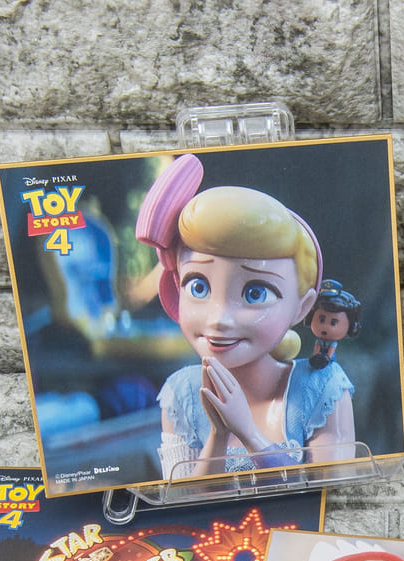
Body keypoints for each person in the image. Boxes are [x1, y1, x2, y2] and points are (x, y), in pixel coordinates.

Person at [135, 153, 356, 479]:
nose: (219, 318)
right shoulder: (181, 394)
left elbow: (332, 487)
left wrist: (250, 434)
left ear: (302, 306)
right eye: (198, 287)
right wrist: (218, 434)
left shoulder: (321, 387)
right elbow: (182, 495)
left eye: (255, 293)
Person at [305, 279, 362, 369]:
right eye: (321, 320)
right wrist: (316, 356)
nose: (325, 327)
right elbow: (316, 348)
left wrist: (327, 358)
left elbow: (331, 351)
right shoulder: (319, 341)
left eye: (333, 323)